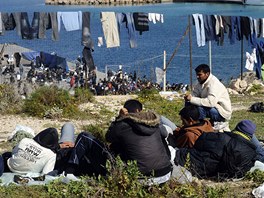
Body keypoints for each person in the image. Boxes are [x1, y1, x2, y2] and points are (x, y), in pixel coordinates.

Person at [106, 99, 172, 185]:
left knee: (115, 145)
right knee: (159, 138)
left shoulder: (122, 125)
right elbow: (164, 133)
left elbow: (108, 137)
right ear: (139, 110)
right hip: (165, 174)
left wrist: (119, 118)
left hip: (142, 178)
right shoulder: (153, 122)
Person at [174, 120, 257, 179]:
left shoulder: (220, 137)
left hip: (185, 163)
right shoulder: (251, 153)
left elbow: (198, 144)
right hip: (213, 174)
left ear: (237, 128)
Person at [184, 64, 232, 132]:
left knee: (200, 109)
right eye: (197, 75)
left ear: (207, 74)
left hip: (222, 112)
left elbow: (210, 103)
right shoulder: (202, 82)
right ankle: (188, 123)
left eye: (200, 75)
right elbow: (195, 93)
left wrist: (192, 99)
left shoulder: (214, 84)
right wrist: (190, 97)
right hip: (213, 107)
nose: (197, 77)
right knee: (189, 104)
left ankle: (198, 127)